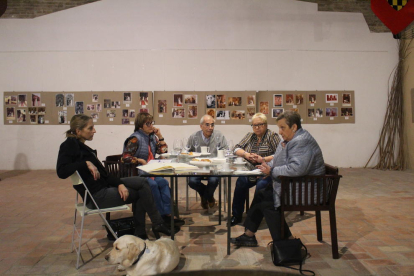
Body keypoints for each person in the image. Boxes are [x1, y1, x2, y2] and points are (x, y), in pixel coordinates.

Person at [57, 114, 171, 240]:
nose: (94, 130)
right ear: (78, 131)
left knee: (143, 182)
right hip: (97, 196)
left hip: (104, 185)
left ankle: (156, 224)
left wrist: (119, 184)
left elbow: (105, 175)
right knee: (141, 193)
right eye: (90, 128)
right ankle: (145, 230)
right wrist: (85, 163)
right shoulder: (69, 145)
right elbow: (61, 171)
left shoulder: (81, 146)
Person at [231, 111, 325, 247]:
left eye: (282, 128)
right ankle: (249, 235)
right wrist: (266, 167)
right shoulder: (289, 139)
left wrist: (272, 171)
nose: (280, 132)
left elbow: (297, 169)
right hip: (295, 184)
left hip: (306, 190)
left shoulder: (301, 141)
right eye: (279, 128)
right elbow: (278, 159)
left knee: (268, 201)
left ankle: (288, 243)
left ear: (293, 127)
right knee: (262, 194)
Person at [122, 113, 184, 227]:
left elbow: (163, 152)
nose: (151, 126)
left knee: (164, 182)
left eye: (152, 123)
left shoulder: (152, 138)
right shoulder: (135, 139)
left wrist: (160, 136)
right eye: (148, 123)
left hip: (150, 171)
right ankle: (159, 216)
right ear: (140, 126)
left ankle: (167, 214)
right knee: (153, 185)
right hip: (138, 173)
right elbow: (125, 158)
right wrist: (139, 160)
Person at [230, 113, 280, 226]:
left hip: (266, 172)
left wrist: (262, 159)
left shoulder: (272, 136)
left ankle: (252, 218)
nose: (257, 127)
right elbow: (235, 148)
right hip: (251, 172)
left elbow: (279, 155)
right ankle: (236, 215)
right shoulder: (250, 136)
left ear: (266, 125)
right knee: (240, 183)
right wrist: (246, 155)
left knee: (261, 186)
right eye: (254, 125)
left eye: (260, 124)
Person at [186, 115, 228, 209]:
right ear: (201, 126)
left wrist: (220, 155)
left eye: (212, 125)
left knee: (214, 180)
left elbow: (226, 149)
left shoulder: (219, 135)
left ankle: (205, 198)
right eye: (207, 125)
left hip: (214, 167)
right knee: (192, 181)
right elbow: (187, 151)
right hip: (198, 167)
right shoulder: (194, 137)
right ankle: (209, 196)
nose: (210, 128)